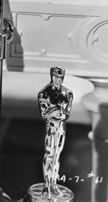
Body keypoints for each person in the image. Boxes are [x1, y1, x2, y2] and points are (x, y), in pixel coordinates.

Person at [38, 66, 73, 196]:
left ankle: (53, 184)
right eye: (57, 77)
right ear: (52, 76)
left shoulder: (67, 93)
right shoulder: (44, 93)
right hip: (51, 127)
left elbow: (67, 113)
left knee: (57, 156)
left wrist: (60, 112)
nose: (59, 80)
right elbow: (44, 114)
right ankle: (46, 185)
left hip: (61, 127)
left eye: (61, 77)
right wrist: (56, 110)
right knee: (49, 155)